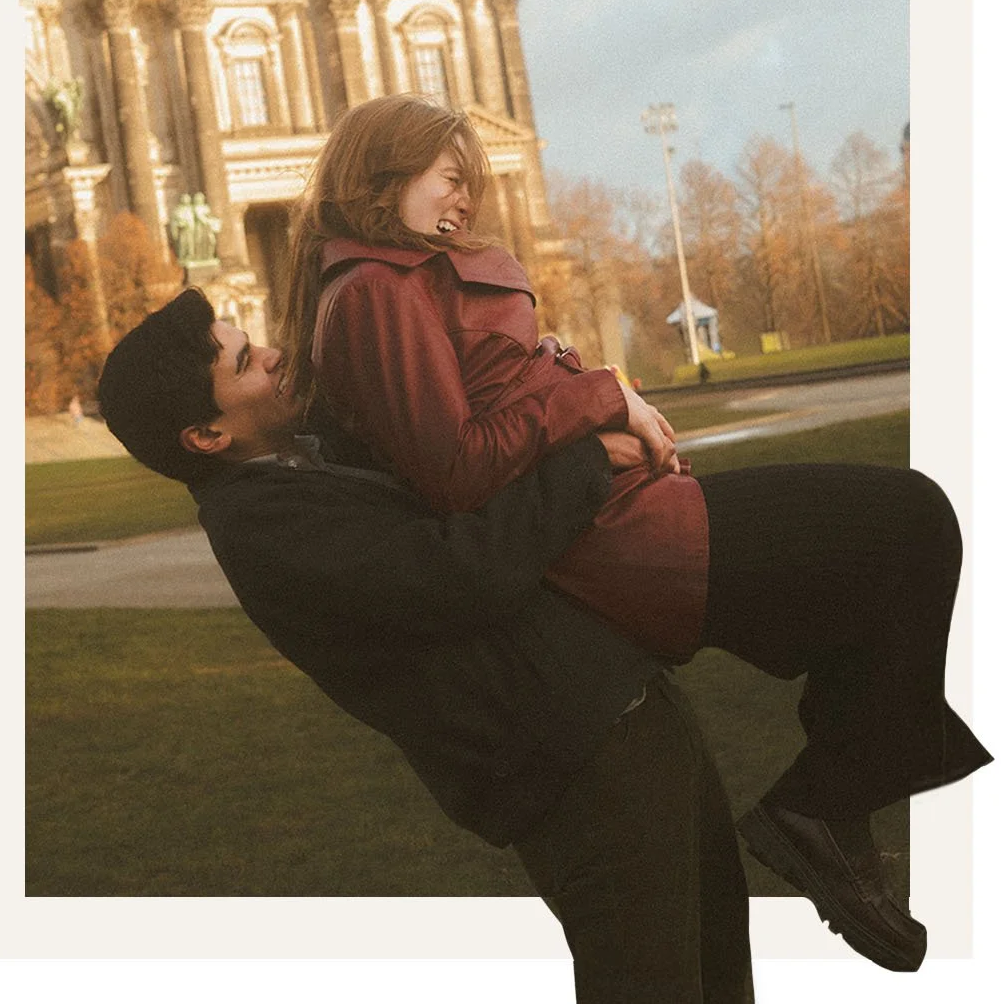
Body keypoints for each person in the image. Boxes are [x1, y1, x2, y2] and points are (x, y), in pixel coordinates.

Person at [277, 92, 993, 975]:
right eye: (451, 177)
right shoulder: (372, 293)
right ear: (384, 167)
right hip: (621, 543)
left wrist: (575, 390)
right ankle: (824, 807)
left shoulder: (396, 277)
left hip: (629, 520)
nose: (465, 201)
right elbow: (455, 470)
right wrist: (601, 393)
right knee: (909, 525)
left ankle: (832, 812)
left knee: (886, 563)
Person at [97, 289, 753, 1003]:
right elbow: (459, 573)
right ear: (208, 435)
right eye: (248, 362)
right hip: (575, 769)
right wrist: (588, 461)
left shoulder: (316, 452)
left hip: (631, 713)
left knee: (720, 974)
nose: (276, 354)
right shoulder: (261, 529)